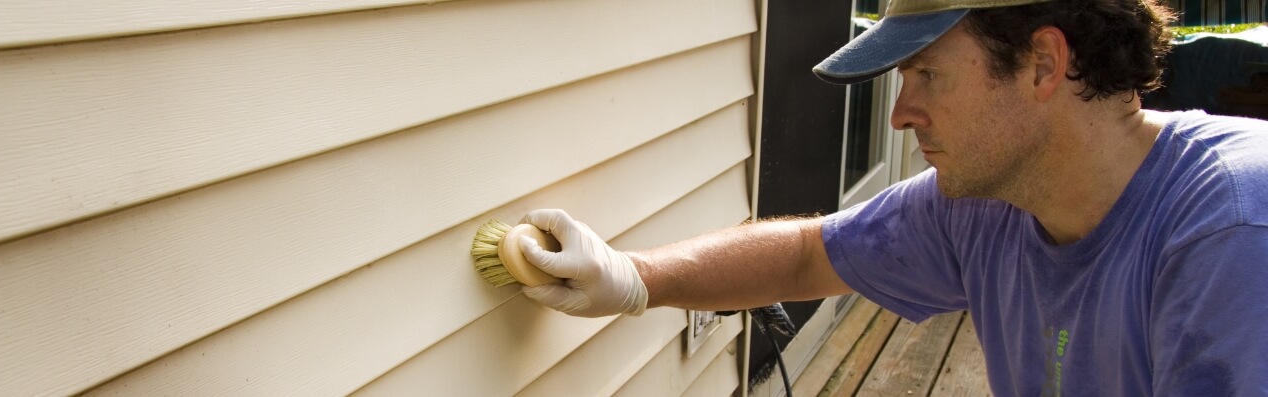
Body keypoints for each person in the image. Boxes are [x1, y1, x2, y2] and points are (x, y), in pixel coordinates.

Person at [514, 0, 1268, 395]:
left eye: (927, 75)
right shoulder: (984, 205)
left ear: (1044, 64)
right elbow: (808, 253)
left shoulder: (1231, 227)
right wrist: (631, 277)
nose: (901, 113)